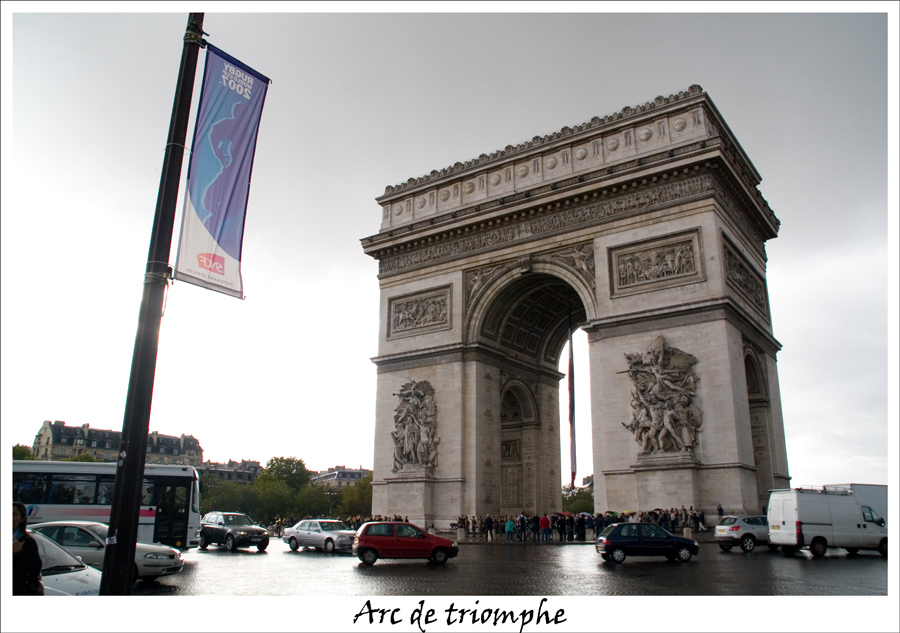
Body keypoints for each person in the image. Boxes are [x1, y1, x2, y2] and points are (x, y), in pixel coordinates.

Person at [13, 501, 43, 595]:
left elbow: (34, 570)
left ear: (22, 519)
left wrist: (19, 552)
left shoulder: (27, 541)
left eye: (14, 515)